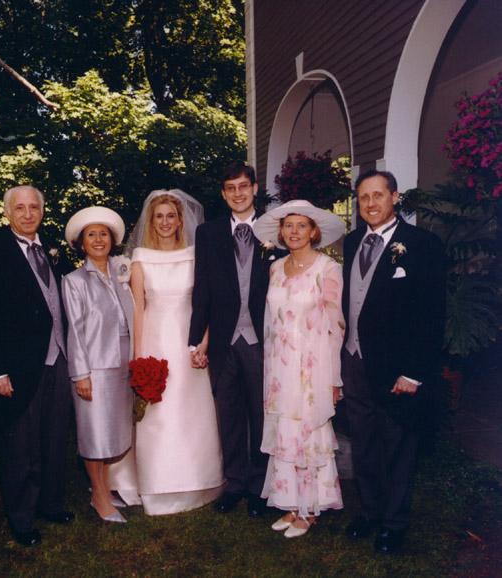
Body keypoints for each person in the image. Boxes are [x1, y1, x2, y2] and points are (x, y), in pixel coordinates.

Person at [342, 170, 445, 553]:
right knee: (364, 441)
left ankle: (394, 522)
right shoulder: (352, 242)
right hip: (353, 359)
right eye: (363, 197)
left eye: (378, 195)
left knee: (398, 444)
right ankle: (370, 511)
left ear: (395, 197)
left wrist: (414, 373)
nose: (370, 204)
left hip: (397, 367)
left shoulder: (422, 244)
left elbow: (432, 314)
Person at [0, 185, 74, 547]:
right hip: (17, 366)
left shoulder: (53, 251)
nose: (28, 214)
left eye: (34, 208)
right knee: (20, 447)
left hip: (58, 359)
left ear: (42, 211)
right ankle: (22, 518)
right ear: (7, 212)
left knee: (55, 437)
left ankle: (50, 504)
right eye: (20, 208)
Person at [188, 161, 278, 518]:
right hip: (225, 338)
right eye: (231, 188)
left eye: (244, 186)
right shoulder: (208, 233)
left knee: (261, 413)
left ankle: (260, 485)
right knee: (228, 414)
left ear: (255, 188)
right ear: (223, 194)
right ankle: (235, 482)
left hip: (263, 338)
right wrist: (197, 340)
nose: (238, 193)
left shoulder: (276, 229)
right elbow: (202, 289)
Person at [126, 189, 225, 515]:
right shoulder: (140, 258)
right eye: (159, 217)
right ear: (151, 222)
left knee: (192, 410)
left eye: (171, 216)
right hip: (155, 343)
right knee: (158, 415)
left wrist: (204, 343)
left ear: (180, 219)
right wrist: (139, 357)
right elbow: (138, 309)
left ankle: (201, 481)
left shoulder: (195, 255)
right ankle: (158, 488)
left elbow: (206, 303)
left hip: (190, 342)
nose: (165, 222)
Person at [253, 200, 346, 538]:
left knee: (307, 435)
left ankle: (310, 509)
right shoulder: (275, 268)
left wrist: (334, 377)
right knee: (285, 435)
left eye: (301, 225)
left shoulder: (327, 268)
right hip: (280, 367)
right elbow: (269, 324)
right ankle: (291, 504)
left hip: (312, 369)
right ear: (281, 232)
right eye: (288, 225)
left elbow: (337, 325)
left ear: (313, 231)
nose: (293, 231)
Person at [62, 207, 135, 523]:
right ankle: (99, 495)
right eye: (91, 234)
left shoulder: (121, 275)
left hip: (121, 364)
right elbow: (74, 331)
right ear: (81, 243)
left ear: (112, 240)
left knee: (111, 433)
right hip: (93, 368)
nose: (98, 239)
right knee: (94, 435)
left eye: (103, 233)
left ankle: (102, 491)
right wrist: (81, 374)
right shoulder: (74, 280)